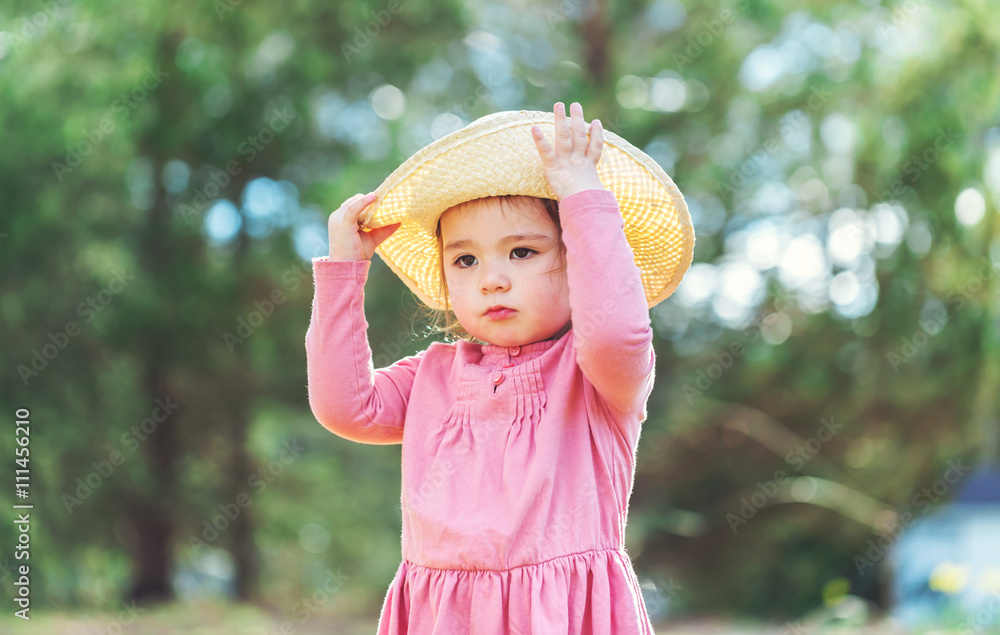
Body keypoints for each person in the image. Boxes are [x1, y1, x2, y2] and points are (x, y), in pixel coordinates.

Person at [306, 102, 694, 634]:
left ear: (575, 258)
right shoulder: (433, 375)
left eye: (522, 252)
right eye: (465, 260)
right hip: (444, 616)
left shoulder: (597, 375)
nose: (492, 279)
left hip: (559, 615)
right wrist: (343, 274)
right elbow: (344, 407)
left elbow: (615, 330)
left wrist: (581, 194)